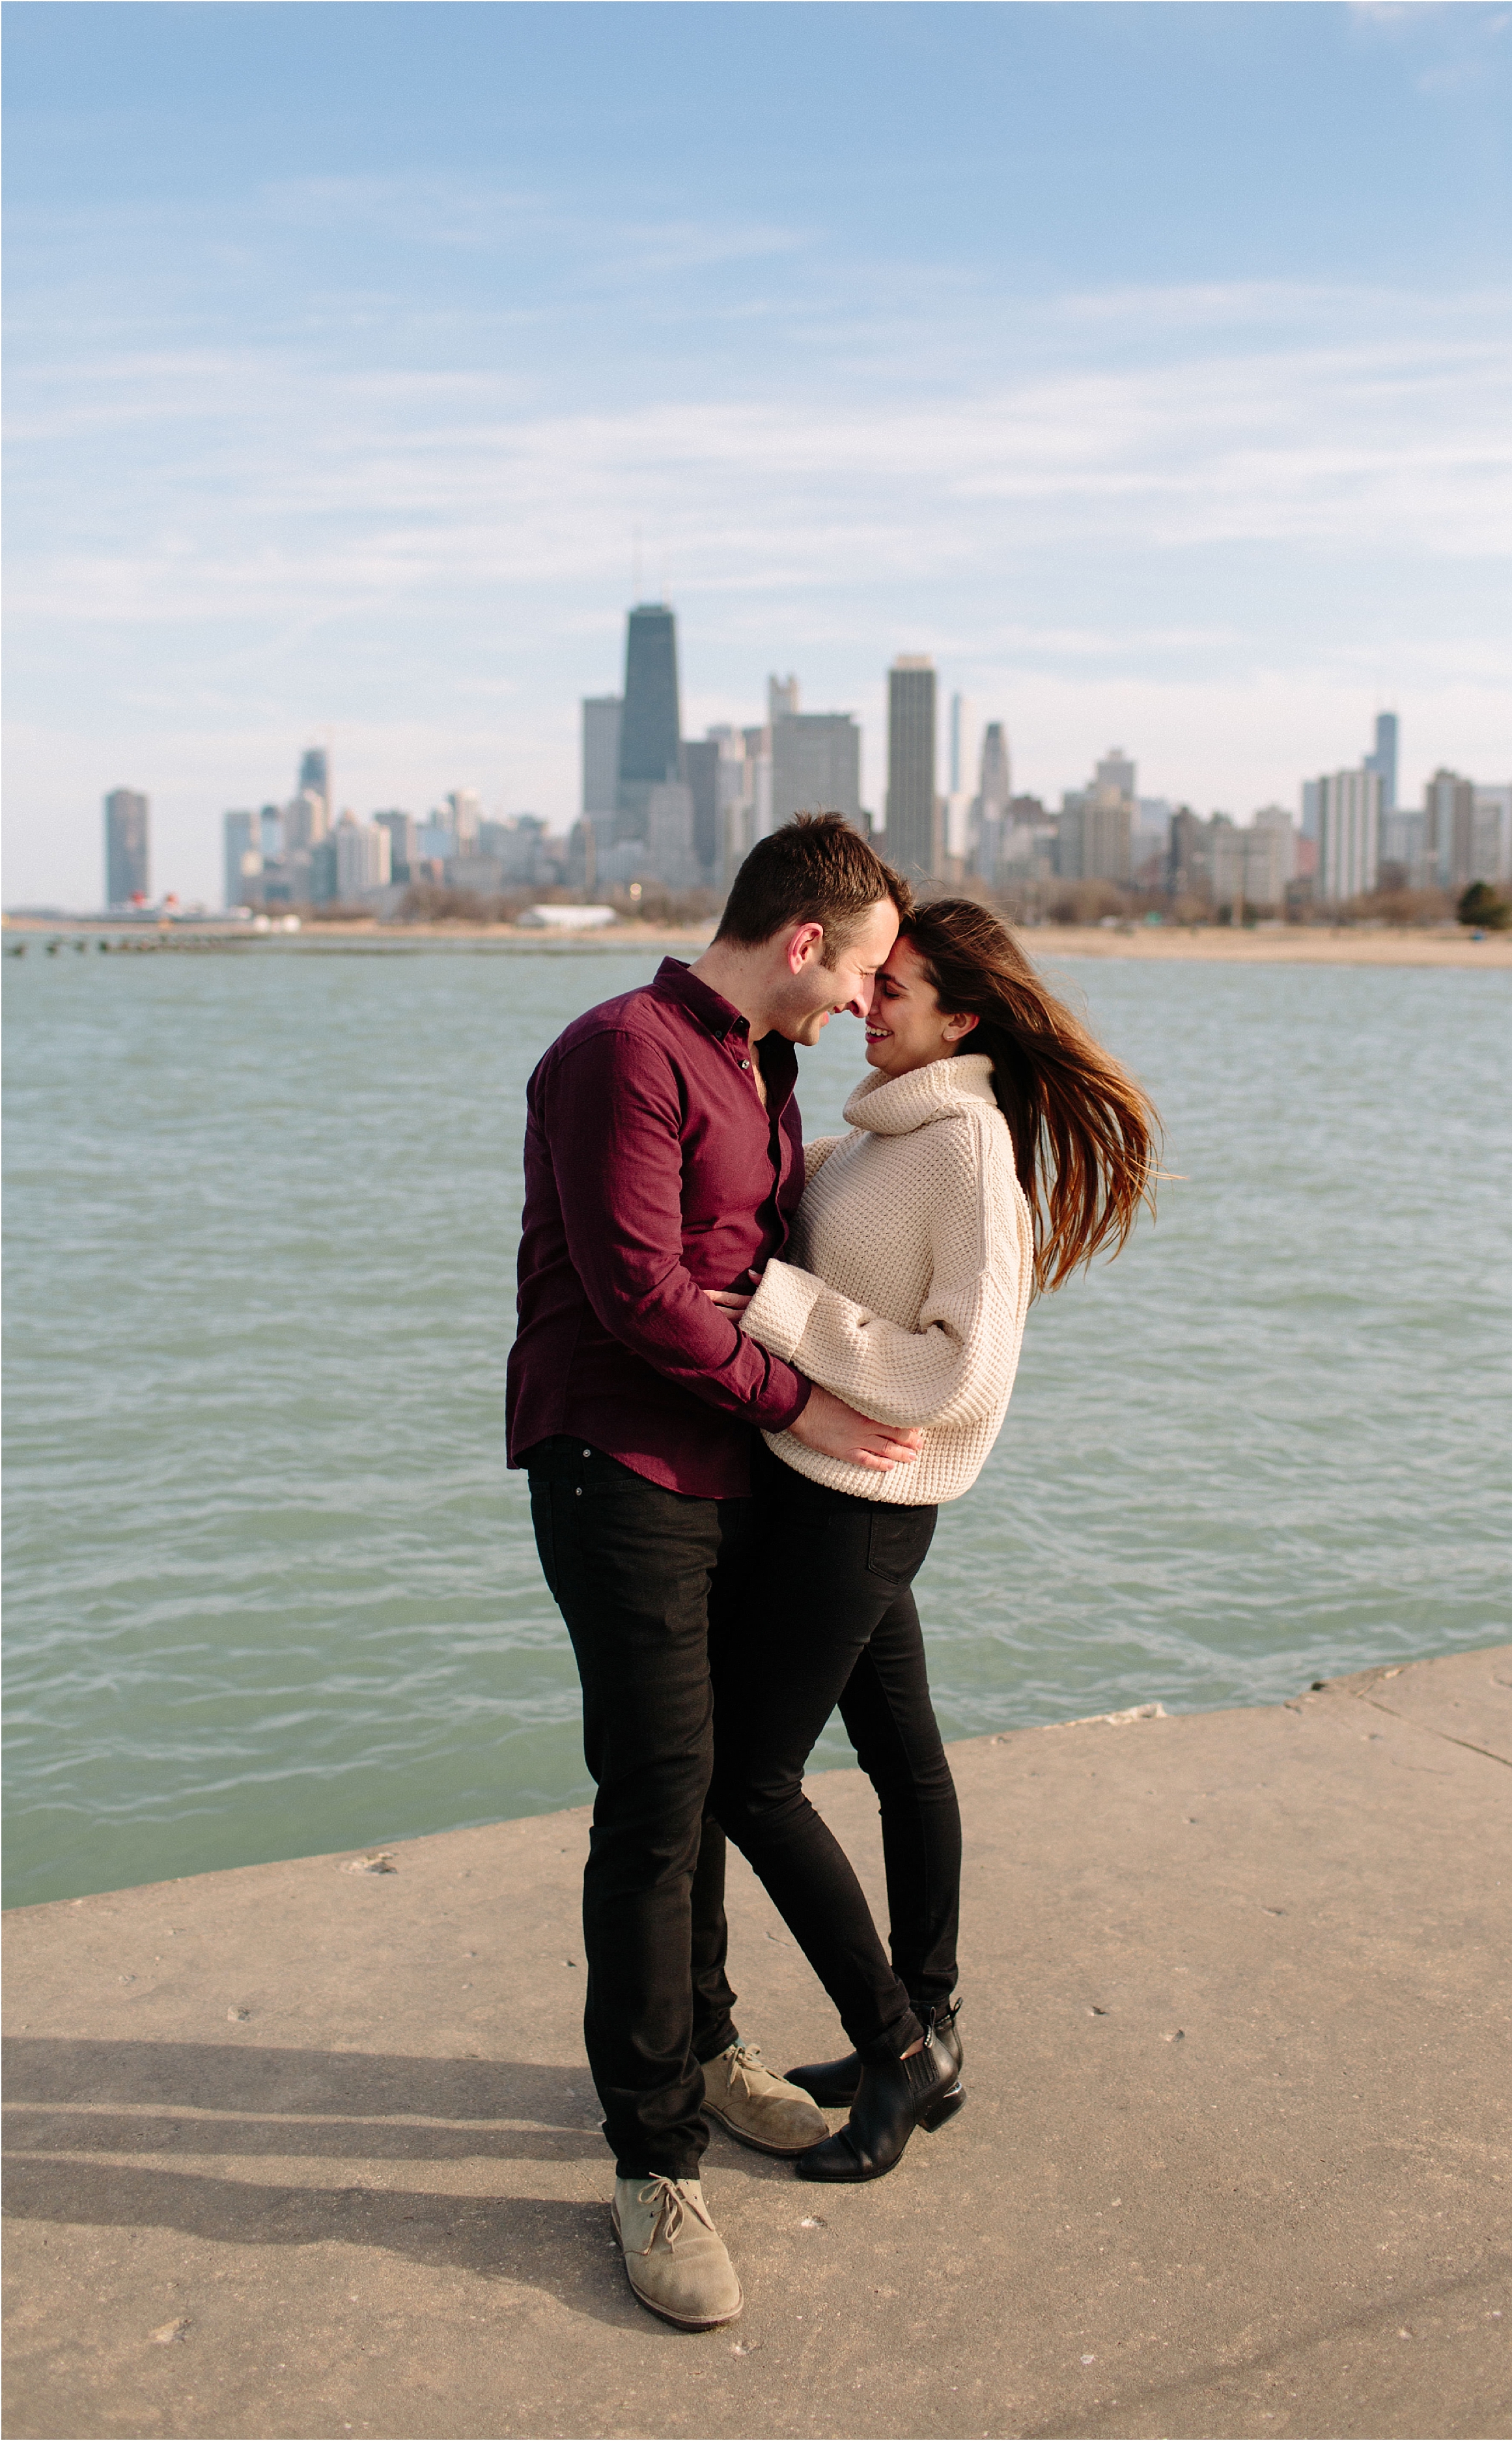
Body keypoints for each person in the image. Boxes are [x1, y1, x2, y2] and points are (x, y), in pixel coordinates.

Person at [506, 815, 920, 2330]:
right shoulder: (620, 1049)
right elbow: (639, 1294)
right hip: (615, 1462)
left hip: (730, 1471)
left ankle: (704, 2048)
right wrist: (806, 1398)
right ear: (802, 938)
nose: (864, 1003)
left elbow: (761, 1265)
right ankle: (650, 2156)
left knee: (703, 1785)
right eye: (861, 968)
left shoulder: (766, 1060)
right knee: (654, 1798)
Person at [706, 896, 1159, 2183]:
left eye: (889, 989)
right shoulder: (881, 1134)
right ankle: (935, 2025)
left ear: (960, 1017)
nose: (865, 1003)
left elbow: (967, 1371)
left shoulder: (963, 1149)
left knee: (748, 1775)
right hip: (826, 1491)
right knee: (904, 1760)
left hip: (856, 1509)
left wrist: (783, 1309)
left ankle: (895, 2042)